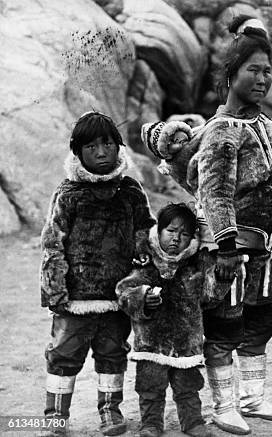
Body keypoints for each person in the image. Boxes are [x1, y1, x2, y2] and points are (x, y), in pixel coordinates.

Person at [141, 15, 272, 435]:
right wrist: (226, 247)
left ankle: (253, 397)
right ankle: (223, 404)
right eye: (253, 70)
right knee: (226, 323)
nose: (262, 79)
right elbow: (215, 193)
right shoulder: (222, 132)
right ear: (232, 74)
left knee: (261, 318)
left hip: (265, 249)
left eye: (268, 71)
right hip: (230, 251)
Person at [40, 111, 155, 436]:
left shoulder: (130, 191)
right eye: (91, 146)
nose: (102, 152)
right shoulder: (69, 194)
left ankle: (110, 411)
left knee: (112, 354)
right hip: (74, 299)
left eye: (108, 143)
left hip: (117, 296)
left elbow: (143, 232)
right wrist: (55, 291)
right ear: (77, 151)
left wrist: (142, 277)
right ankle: (55, 416)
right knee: (63, 356)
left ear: (119, 147)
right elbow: (52, 242)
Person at [116, 203, 215, 437]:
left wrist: (216, 275)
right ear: (158, 231)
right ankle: (151, 423)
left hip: (186, 341)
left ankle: (192, 422)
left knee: (188, 386)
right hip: (151, 343)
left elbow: (210, 296)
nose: (176, 238)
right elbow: (123, 291)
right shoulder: (145, 262)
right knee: (150, 387)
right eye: (171, 231)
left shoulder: (195, 265)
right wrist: (141, 298)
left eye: (184, 234)